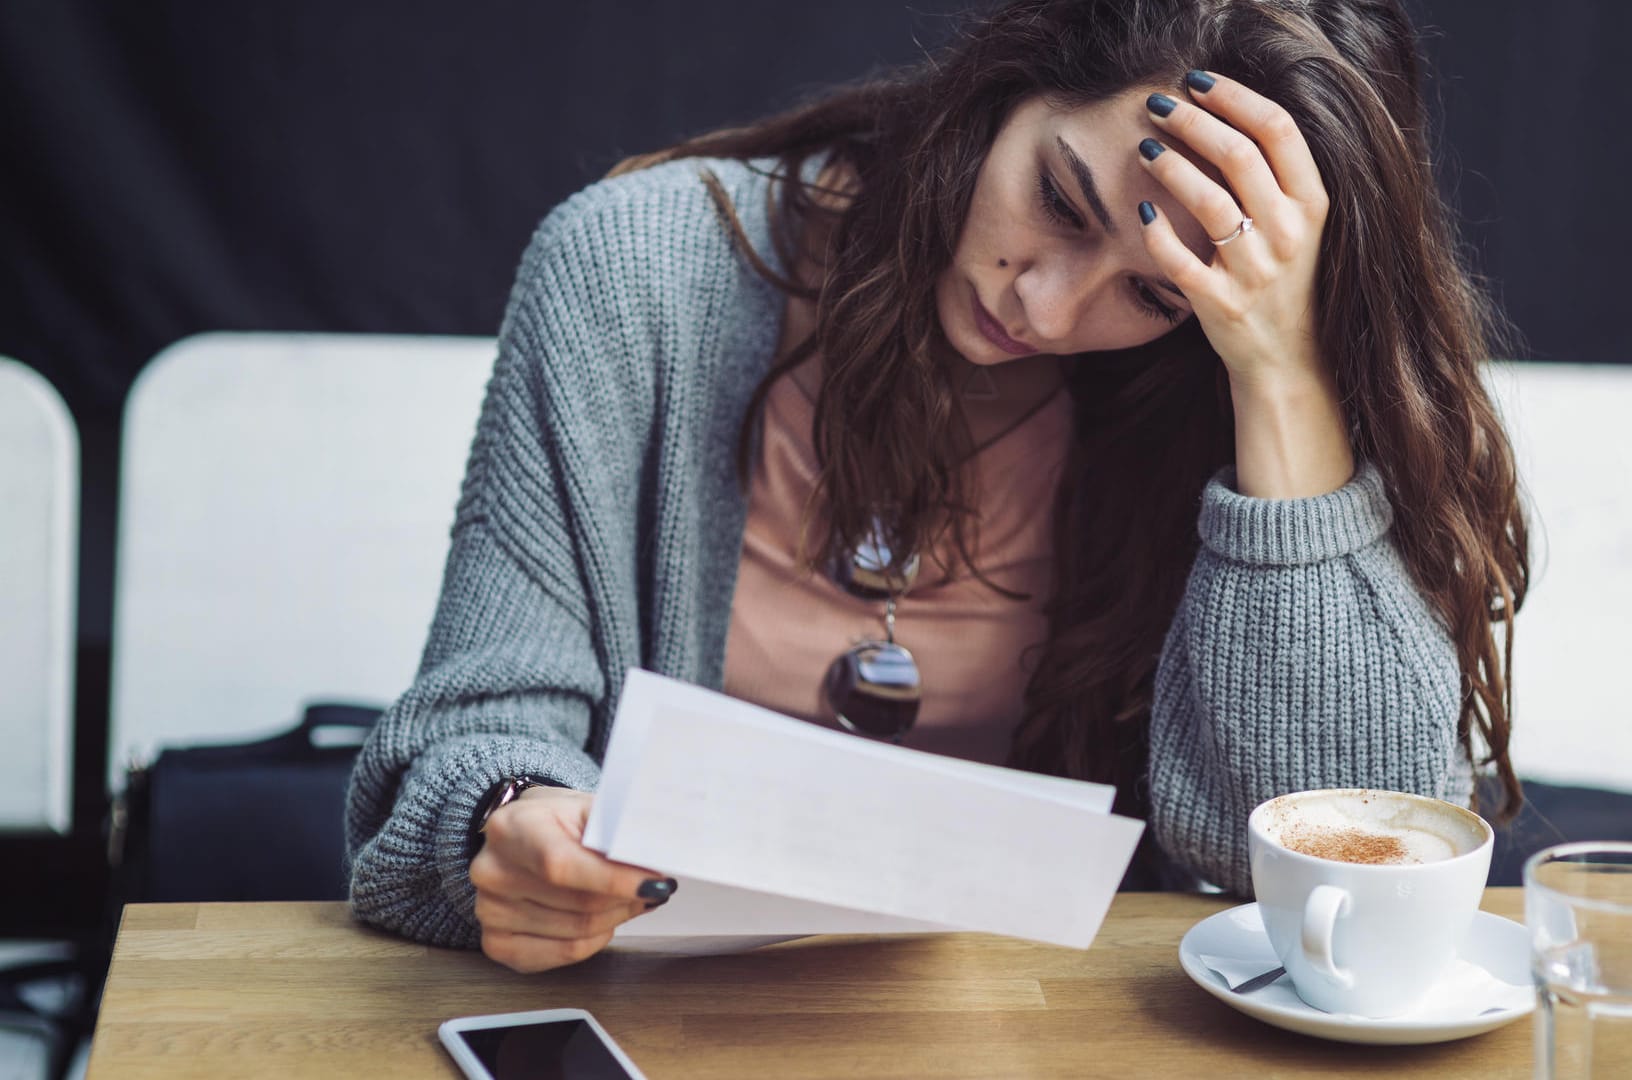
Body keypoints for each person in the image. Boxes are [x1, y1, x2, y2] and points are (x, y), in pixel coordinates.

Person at [345, 0, 1531, 974]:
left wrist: (1278, 377)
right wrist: (503, 821)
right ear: (1009, 82)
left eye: (1157, 295)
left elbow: (1349, 878)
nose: (1048, 308)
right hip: (663, 1018)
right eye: (1060, 202)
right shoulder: (634, 274)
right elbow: (471, 736)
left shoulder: (1202, 398)